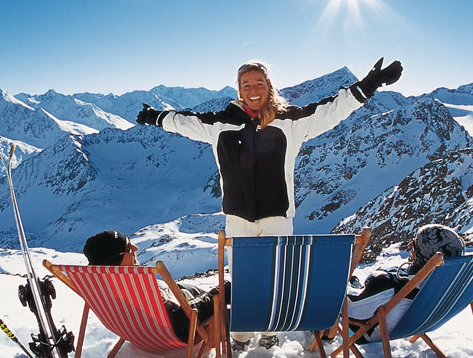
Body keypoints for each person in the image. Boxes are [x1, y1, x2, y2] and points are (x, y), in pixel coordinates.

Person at [136, 58, 402, 238]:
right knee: (247, 288)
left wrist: (369, 85)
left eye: (259, 83)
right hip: (237, 222)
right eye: (246, 85)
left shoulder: (290, 121)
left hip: (277, 220)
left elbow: (332, 109)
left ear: (269, 87)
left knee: (277, 283)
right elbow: (184, 121)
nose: (253, 90)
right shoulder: (220, 123)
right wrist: (155, 117)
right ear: (239, 91)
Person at [82, 230, 220, 344]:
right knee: (223, 293)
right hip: (181, 333)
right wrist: (216, 294)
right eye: (129, 249)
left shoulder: (100, 287)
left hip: (140, 335)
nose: (136, 248)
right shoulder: (135, 289)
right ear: (114, 261)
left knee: (186, 288)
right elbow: (181, 320)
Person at [346, 224, 466, 343]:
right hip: (416, 325)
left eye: (415, 244)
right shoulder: (445, 285)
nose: (409, 245)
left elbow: (352, 310)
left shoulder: (392, 285)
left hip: (367, 332)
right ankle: (356, 286)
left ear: (425, 254)